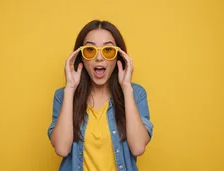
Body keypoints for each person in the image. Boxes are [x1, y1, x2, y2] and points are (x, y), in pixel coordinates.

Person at [47, 20, 154, 171]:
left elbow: (138, 148)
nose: (99, 57)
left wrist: (126, 87)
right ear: (81, 57)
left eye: (108, 50)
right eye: (90, 50)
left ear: (118, 57)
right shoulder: (63, 96)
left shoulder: (135, 94)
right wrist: (70, 89)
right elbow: (61, 149)